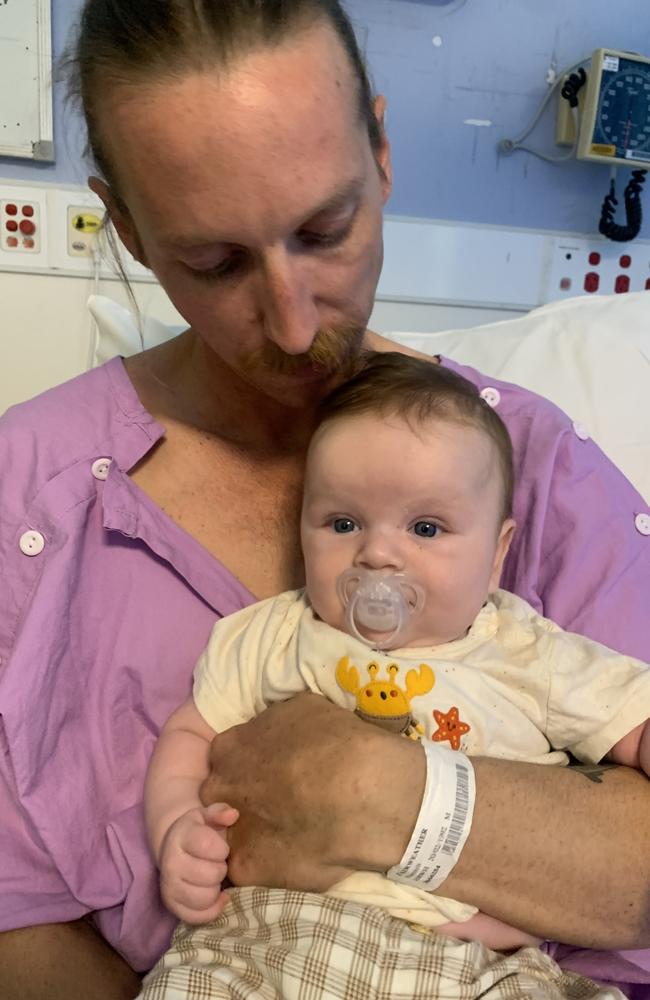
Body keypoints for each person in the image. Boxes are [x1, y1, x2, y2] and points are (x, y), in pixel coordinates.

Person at [0, 2, 648, 998]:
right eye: (214, 264)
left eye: (325, 229)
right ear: (124, 227)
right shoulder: (26, 506)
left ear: (382, 153)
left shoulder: (532, 468)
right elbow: (17, 923)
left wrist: (380, 794)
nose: (297, 328)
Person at [139, 351, 650, 999]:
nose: (377, 553)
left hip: (468, 959)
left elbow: (631, 722)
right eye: (343, 523)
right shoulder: (276, 633)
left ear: (496, 556)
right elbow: (191, 733)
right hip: (270, 935)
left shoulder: (528, 651)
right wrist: (176, 827)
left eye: (427, 527)